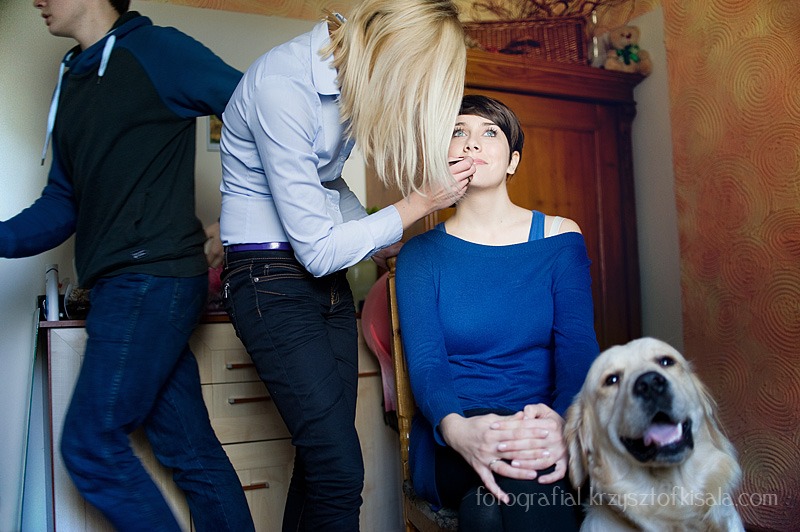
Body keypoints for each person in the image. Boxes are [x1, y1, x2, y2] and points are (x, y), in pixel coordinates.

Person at [218, 0, 474, 529]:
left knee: (320, 467)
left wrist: (379, 241)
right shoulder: (282, 85)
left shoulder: (344, 85)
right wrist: (418, 203)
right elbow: (316, 250)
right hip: (270, 283)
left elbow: (325, 182)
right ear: (392, 54)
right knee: (338, 470)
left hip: (324, 286)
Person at [0, 1, 254, 531]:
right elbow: (62, 203)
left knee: (91, 448)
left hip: (149, 281)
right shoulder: (71, 80)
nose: (37, 1)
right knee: (191, 453)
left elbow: (262, 114)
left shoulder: (158, 51)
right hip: (125, 288)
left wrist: (235, 221)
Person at [395, 94, 600, 531]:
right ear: (443, 154)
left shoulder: (561, 237)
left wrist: (562, 427)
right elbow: (428, 364)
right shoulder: (419, 255)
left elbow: (578, 348)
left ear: (512, 161)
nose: (472, 143)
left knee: (488, 510)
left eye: (490, 133)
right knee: (528, 482)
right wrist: (457, 431)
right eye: (458, 132)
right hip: (454, 435)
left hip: (546, 426)